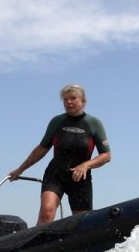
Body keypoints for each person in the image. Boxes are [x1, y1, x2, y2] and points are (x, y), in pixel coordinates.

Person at [9, 84, 111, 225]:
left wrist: (85, 165)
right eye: (65, 99)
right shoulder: (57, 121)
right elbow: (41, 149)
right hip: (55, 174)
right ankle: (39, 245)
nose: (68, 102)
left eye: (73, 98)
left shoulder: (93, 123)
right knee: (47, 211)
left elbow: (106, 155)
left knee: (81, 222)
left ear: (83, 101)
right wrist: (21, 169)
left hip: (80, 179)